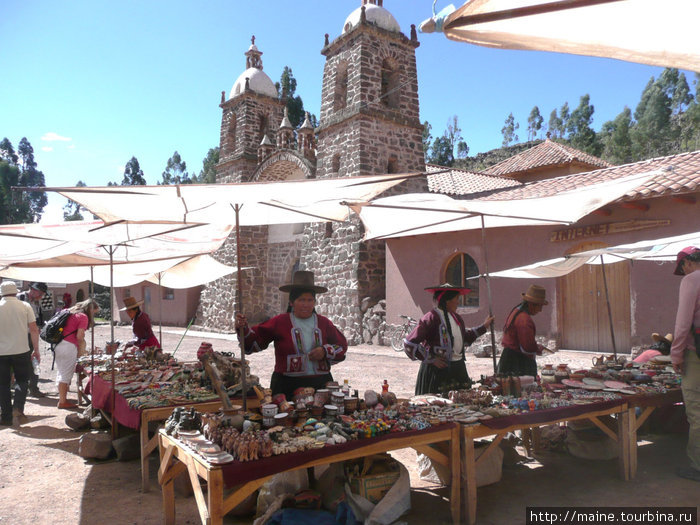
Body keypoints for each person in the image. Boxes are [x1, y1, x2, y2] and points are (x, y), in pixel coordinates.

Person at [234, 271, 348, 400]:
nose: (306, 304)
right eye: (301, 300)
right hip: (287, 386)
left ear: (315, 302)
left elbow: (341, 346)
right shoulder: (280, 322)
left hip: (320, 385)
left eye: (310, 300)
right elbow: (254, 341)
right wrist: (243, 328)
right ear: (291, 302)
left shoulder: (324, 323)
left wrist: (325, 351)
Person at [404, 284, 493, 395]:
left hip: (458, 369)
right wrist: (431, 359)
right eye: (456, 299)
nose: (458, 302)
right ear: (447, 301)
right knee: (437, 408)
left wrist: (484, 327)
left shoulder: (456, 317)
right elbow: (409, 343)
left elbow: (464, 337)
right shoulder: (431, 317)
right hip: (437, 372)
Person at [669, 246, 700, 482]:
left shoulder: (691, 280)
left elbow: (682, 323)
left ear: (687, 263)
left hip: (696, 353)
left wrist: (676, 355)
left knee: (697, 411)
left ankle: (698, 466)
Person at [0, 281, 39, 425]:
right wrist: (36, 349)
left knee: (2, 384)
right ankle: (18, 407)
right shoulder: (25, 306)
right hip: (21, 350)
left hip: (1, 352)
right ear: (16, 292)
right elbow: (34, 329)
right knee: (22, 380)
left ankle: (5, 417)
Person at [55, 298, 100, 409]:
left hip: (58, 343)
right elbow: (79, 337)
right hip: (68, 345)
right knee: (66, 373)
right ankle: (62, 401)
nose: (93, 316)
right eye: (94, 313)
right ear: (90, 309)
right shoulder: (83, 317)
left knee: (61, 371)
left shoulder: (71, 311)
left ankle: (62, 398)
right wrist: (83, 349)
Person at [497, 284, 550, 377]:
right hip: (516, 363)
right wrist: (537, 348)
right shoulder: (524, 320)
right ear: (531, 304)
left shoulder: (516, 311)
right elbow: (527, 347)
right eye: (540, 306)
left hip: (509, 358)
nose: (540, 310)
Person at [18, 281, 48, 398]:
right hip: (19, 335)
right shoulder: (19, 298)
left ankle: (33, 388)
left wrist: (38, 327)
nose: (41, 297)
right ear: (34, 290)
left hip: (30, 334)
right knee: (15, 361)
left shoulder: (35, 301)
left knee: (33, 360)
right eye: (40, 294)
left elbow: (37, 317)